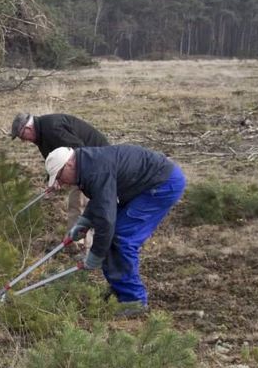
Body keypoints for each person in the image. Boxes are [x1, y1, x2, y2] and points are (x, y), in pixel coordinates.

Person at [44, 144, 186, 316]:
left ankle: (133, 300)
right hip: (141, 185)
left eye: (59, 177)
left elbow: (106, 220)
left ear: (68, 165)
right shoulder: (86, 166)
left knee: (121, 237)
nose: (61, 183)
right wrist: (84, 222)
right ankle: (120, 290)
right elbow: (101, 198)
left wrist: (96, 255)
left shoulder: (94, 170)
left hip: (161, 184)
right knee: (112, 236)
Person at [11, 112, 110, 250]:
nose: (24, 141)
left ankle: (83, 246)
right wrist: (52, 181)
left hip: (95, 159)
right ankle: (75, 243)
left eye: (22, 137)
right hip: (83, 161)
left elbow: (80, 150)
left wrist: (71, 179)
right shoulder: (41, 134)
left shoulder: (52, 128)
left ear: (28, 128)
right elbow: (52, 161)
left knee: (79, 202)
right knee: (77, 203)